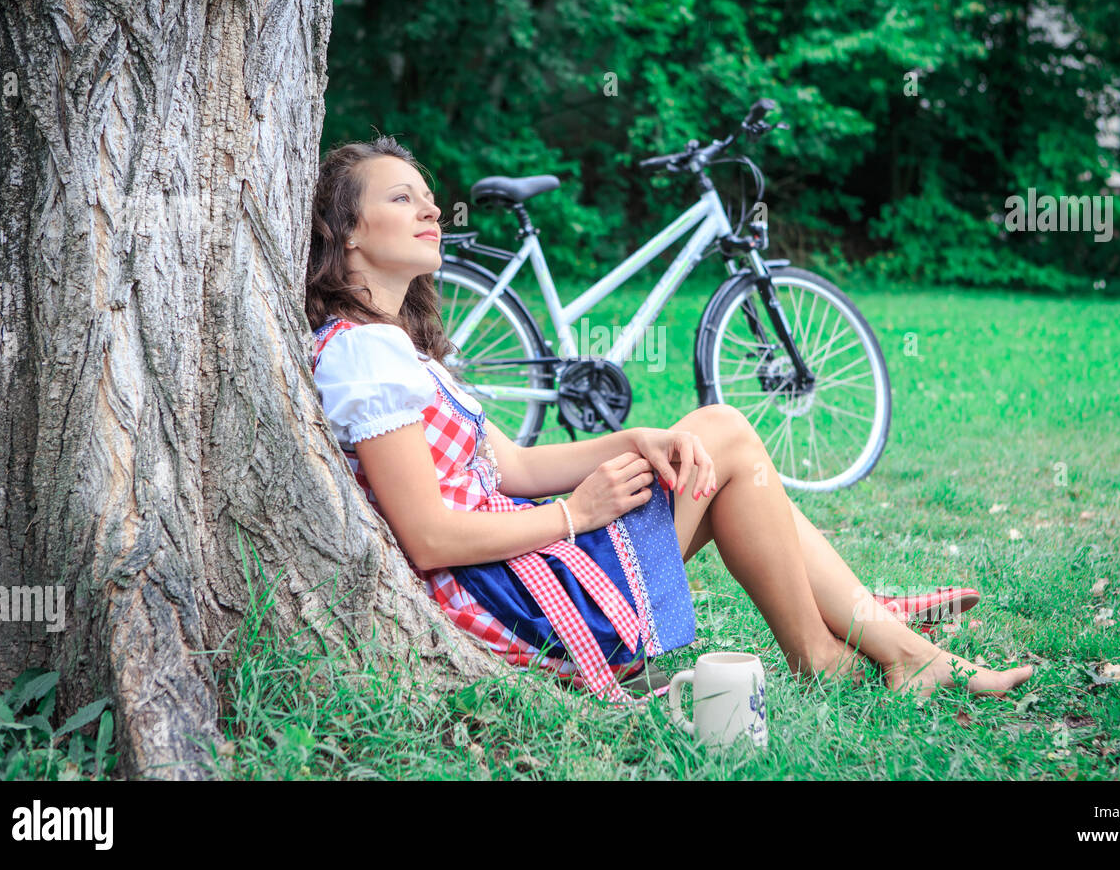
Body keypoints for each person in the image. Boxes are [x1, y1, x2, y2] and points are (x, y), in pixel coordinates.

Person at [304, 135, 1033, 703]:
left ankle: (872, 645)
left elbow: (517, 468)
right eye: (404, 199)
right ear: (348, 232)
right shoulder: (363, 356)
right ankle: (859, 650)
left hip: (521, 574)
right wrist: (573, 517)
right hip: (515, 602)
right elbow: (429, 540)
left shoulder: (395, 350)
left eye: (429, 198)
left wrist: (635, 441)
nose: (433, 211)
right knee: (725, 436)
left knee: (714, 453)